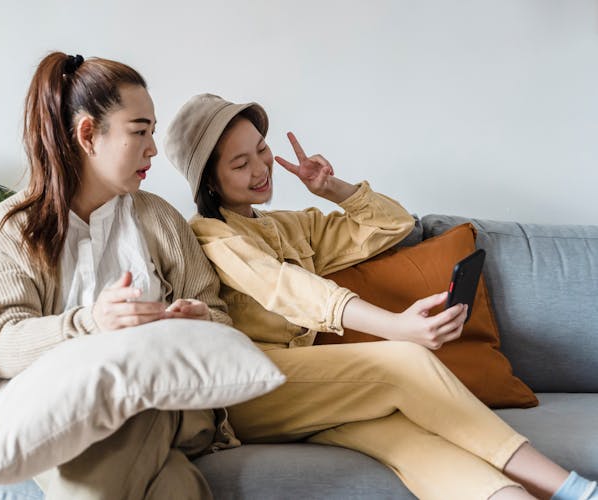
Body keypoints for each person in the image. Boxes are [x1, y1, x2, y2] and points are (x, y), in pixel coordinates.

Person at [164, 93, 597, 500]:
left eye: (261, 149)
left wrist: (332, 188)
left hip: (313, 391)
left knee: (412, 442)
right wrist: (397, 328)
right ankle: (572, 488)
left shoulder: (289, 225)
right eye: (241, 164)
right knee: (402, 361)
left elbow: (394, 227)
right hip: (255, 389)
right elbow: (292, 290)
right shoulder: (211, 235)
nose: (261, 168)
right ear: (211, 183)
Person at [0, 55, 239, 500]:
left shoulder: (161, 221)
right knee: (176, 485)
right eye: (139, 131)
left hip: (163, 402)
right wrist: (91, 322)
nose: (152, 148)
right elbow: (0, 343)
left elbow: (223, 325)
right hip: (59, 412)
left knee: (140, 394)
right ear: (88, 134)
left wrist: (199, 322)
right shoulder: (12, 229)